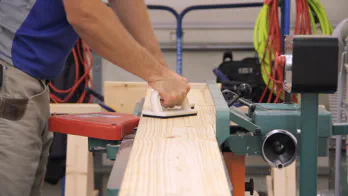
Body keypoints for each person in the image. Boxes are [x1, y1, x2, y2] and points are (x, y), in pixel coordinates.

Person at [0, 0, 190, 195]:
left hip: (27, 82)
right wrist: (157, 74)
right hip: (9, 77)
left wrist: (161, 69)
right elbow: (84, 13)